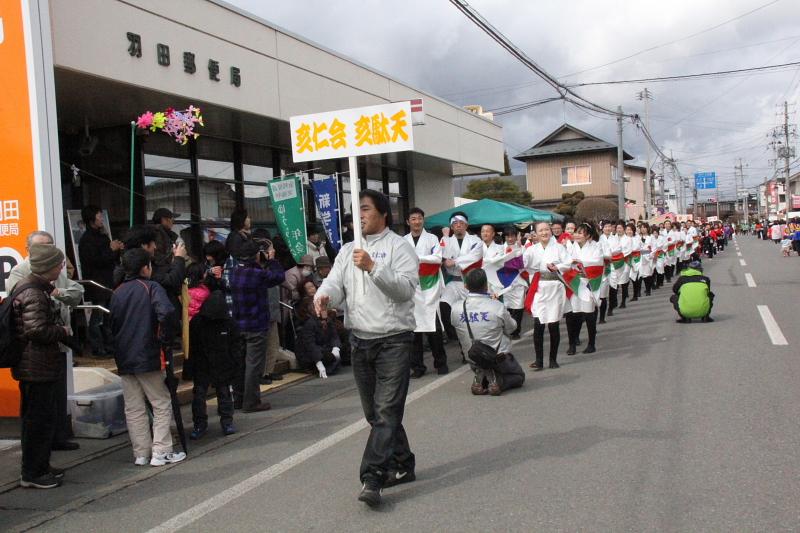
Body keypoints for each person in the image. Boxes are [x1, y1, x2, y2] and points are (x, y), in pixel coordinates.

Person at [314, 189, 418, 507]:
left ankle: (372, 476)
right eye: (356, 210)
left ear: (383, 213)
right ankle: (403, 462)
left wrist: (374, 267)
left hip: (394, 341)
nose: (359, 215)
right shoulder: (348, 250)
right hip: (359, 341)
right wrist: (324, 296)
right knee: (376, 414)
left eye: (365, 209)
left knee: (386, 411)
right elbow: (335, 282)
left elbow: (404, 291)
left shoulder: (400, 247)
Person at [8, 232, 84, 452]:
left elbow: (76, 290)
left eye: (51, 245)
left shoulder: (52, 274)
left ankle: (56, 438)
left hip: (52, 349)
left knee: (55, 398)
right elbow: (35, 327)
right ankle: (35, 463)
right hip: (34, 355)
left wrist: (58, 294)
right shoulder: (25, 278)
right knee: (36, 410)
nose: (49, 251)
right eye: (43, 247)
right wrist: (60, 329)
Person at [110, 248, 186, 467]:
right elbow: (168, 313)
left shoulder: (118, 292)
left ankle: (141, 453)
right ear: (146, 267)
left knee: (133, 407)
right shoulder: (151, 287)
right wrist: (164, 338)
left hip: (124, 356)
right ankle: (161, 451)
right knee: (161, 402)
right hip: (149, 354)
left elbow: (110, 325)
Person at [10, 244, 73, 488]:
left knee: (40, 420)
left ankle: (40, 466)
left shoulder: (32, 287)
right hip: (36, 366)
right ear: (47, 266)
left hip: (36, 365)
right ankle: (33, 473)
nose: (62, 268)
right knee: (38, 421)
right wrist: (62, 330)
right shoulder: (34, 293)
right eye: (59, 264)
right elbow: (35, 329)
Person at [229, 240, 285, 412]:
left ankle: (238, 399)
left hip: (238, 325)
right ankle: (251, 402)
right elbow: (279, 277)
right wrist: (272, 260)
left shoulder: (235, 273)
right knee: (254, 365)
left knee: (240, 364)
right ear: (257, 255)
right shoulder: (257, 274)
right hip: (256, 325)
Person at [451, 269, 525, 396]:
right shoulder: (496, 307)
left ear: (466, 286)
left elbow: (455, 325)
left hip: (473, 358)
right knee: (519, 376)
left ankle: (483, 377)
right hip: (497, 358)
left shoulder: (456, 308)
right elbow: (512, 328)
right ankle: (497, 382)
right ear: (486, 285)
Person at [185, 287, 239, 439]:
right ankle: (225, 422)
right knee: (221, 393)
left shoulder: (198, 321)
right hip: (210, 363)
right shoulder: (227, 322)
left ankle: (202, 424)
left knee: (203, 394)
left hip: (212, 363)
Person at [404, 207, 447, 378]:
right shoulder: (403, 240)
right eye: (413, 219)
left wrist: (417, 258)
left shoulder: (432, 238)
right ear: (408, 221)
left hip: (429, 286)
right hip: (412, 287)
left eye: (419, 218)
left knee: (433, 327)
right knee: (414, 332)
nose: (417, 221)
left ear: (423, 220)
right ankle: (418, 367)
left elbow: (437, 259)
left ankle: (440, 363)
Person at [523, 221, 570, 370]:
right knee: (539, 324)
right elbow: (523, 264)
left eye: (546, 230)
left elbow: (568, 263)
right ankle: (539, 360)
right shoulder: (531, 250)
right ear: (535, 234)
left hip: (555, 288)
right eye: (541, 230)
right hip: (539, 288)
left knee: (553, 324)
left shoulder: (559, 248)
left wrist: (557, 267)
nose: (544, 233)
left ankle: (553, 359)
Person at [78, 205, 123, 357]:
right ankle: (97, 347)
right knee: (98, 317)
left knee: (108, 315)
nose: (101, 218)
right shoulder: (87, 239)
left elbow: (110, 260)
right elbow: (95, 260)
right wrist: (111, 250)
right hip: (96, 283)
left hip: (108, 282)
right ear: (91, 219)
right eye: (99, 215)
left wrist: (116, 250)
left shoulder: (103, 236)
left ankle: (109, 344)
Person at [440, 212, 483, 345]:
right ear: (451, 226)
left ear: (466, 225)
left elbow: (474, 256)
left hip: (470, 283)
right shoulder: (446, 240)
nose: (458, 225)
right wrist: (445, 237)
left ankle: (475, 345)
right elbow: (442, 255)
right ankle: (454, 335)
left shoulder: (475, 240)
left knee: (469, 315)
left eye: (461, 223)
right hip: (453, 281)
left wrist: (455, 261)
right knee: (443, 305)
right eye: (455, 223)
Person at [566, 223, 603, 355]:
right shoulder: (570, 247)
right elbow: (566, 261)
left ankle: (591, 343)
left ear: (588, 235)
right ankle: (572, 343)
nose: (577, 235)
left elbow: (598, 262)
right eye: (576, 232)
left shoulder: (595, 247)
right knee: (573, 314)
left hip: (588, 283)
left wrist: (581, 263)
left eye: (581, 233)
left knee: (588, 314)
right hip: (574, 282)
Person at [295, 296, 341, 378]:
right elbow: (310, 345)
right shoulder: (309, 323)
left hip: (323, 347)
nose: (324, 309)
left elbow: (334, 336)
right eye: (321, 307)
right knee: (326, 358)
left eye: (325, 307)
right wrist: (318, 362)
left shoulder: (328, 320)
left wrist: (336, 348)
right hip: (310, 353)